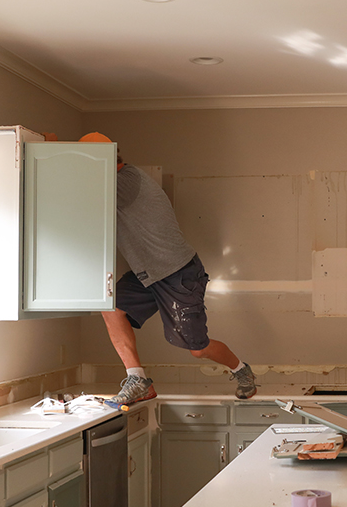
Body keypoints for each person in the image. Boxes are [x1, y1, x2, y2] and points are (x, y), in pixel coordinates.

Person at [78, 132, 257, 406]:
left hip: (179, 273)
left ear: (107, 161)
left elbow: (76, 196)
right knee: (110, 305)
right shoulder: (117, 181)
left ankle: (241, 370)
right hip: (149, 274)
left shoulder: (125, 182)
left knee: (196, 350)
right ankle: (138, 380)